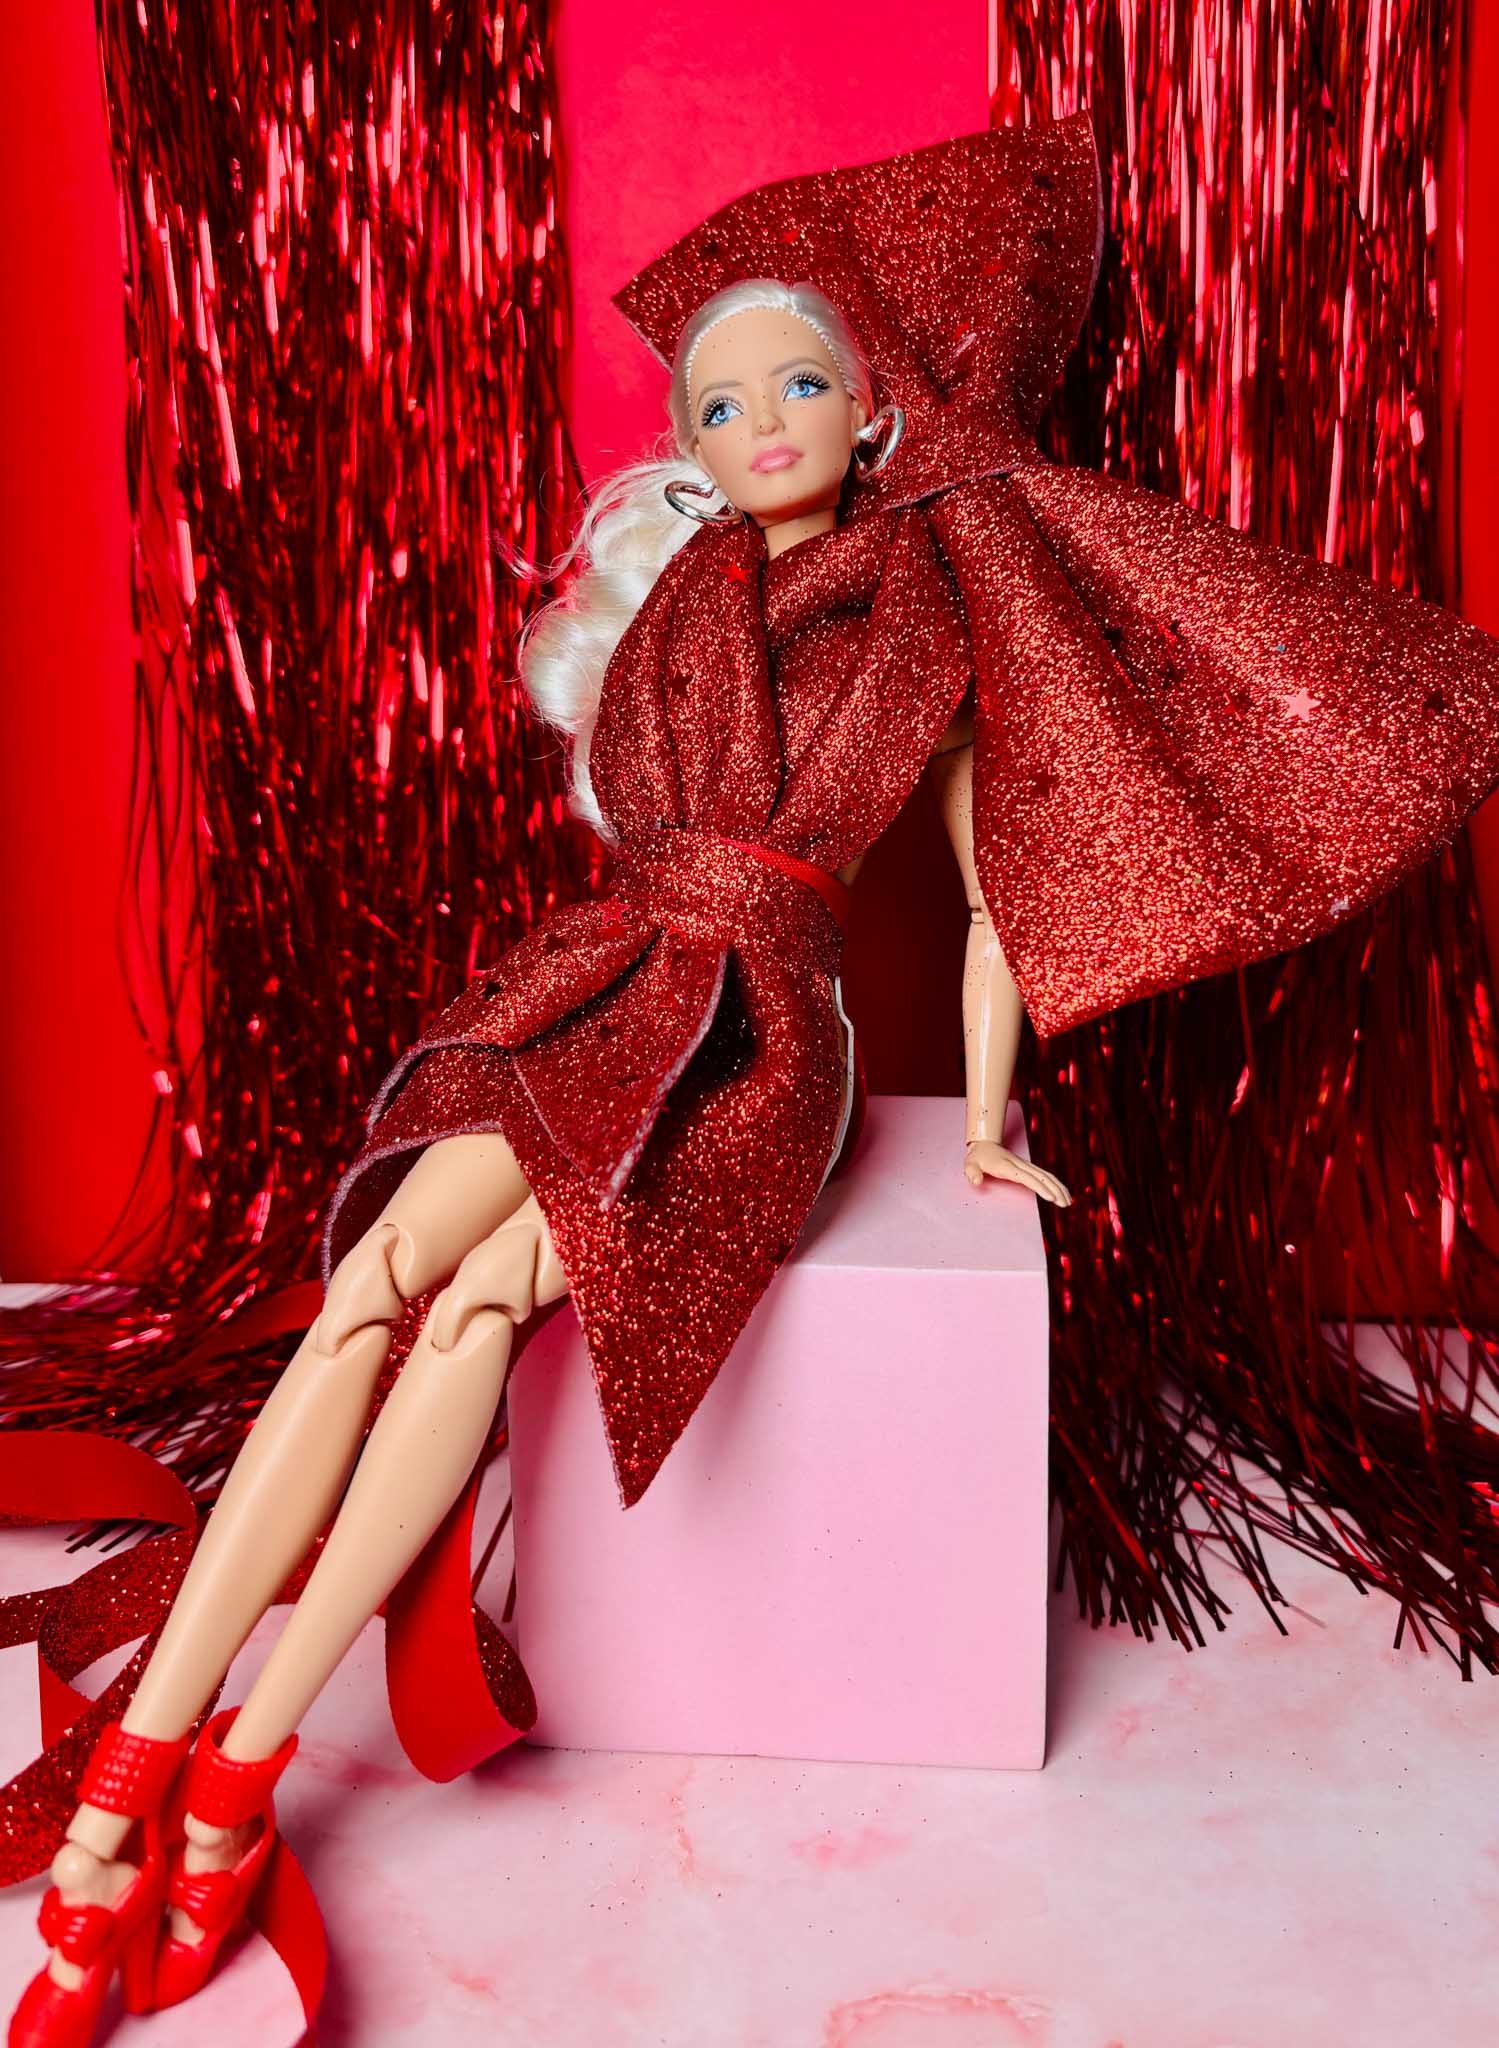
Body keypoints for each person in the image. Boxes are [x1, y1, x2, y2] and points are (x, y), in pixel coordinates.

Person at [11, 108, 1499, 2044]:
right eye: (722, 402)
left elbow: (1001, 891)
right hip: (603, 975)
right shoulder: (676, 608)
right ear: (690, 451)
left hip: (758, 1038)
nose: (765, 420)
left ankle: (232, 1775)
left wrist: (986, 1120)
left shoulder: (929, 622)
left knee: (479, 1307)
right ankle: (138, 1774)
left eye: (802, 382)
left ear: (868, 415)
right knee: (377, 1276)